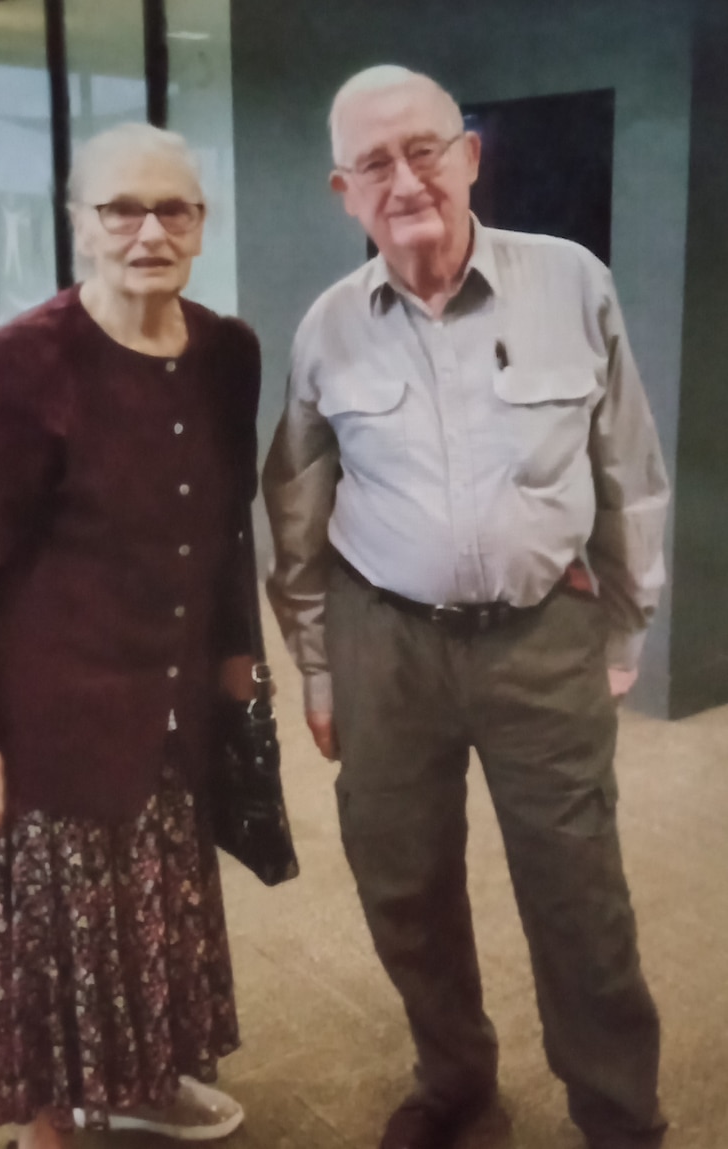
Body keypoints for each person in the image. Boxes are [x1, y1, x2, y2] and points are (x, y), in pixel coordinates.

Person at [263, 65, 670, 1149]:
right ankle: (455, 1081)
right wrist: (315, 665)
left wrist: (625, 626)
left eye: (424, 150)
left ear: (470, 156)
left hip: (542, 638)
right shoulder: (326, 329)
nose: (405, 181)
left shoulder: (570, 283)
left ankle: (618, 1115)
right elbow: (296, 513)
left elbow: (628, 467)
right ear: (341, 190)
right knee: (401, 881)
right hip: (383, 641)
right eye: (373, 164)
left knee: (580, 896)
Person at [0, 122, 261, 1149]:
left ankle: (142, 1080)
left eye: (174, 208)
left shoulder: (227, 353)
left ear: (201, 224)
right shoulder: (27, 363)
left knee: (146, 916)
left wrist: (236, 650)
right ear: (81, 225)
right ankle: (49, 1125)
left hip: (167, 701)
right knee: (52, 941)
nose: (148, 229)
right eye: (122, 207)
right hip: (45, 720)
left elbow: (223, 514)